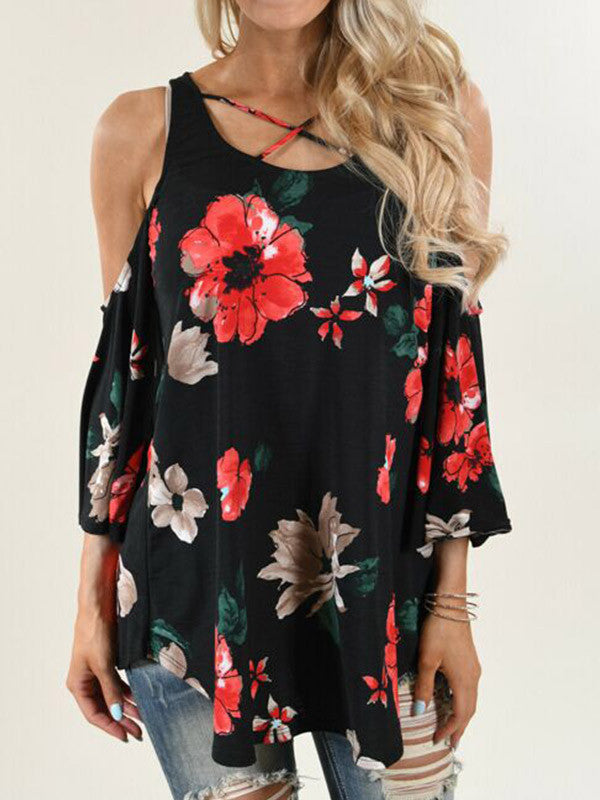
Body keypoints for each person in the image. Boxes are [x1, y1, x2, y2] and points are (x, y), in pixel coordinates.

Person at [66, 1, 512, 798]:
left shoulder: (436, 115)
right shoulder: (142, 130)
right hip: (196, 599)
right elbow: (125, 391)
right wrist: (90, 603)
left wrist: (452, 605)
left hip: (388, 600)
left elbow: (455, 385)